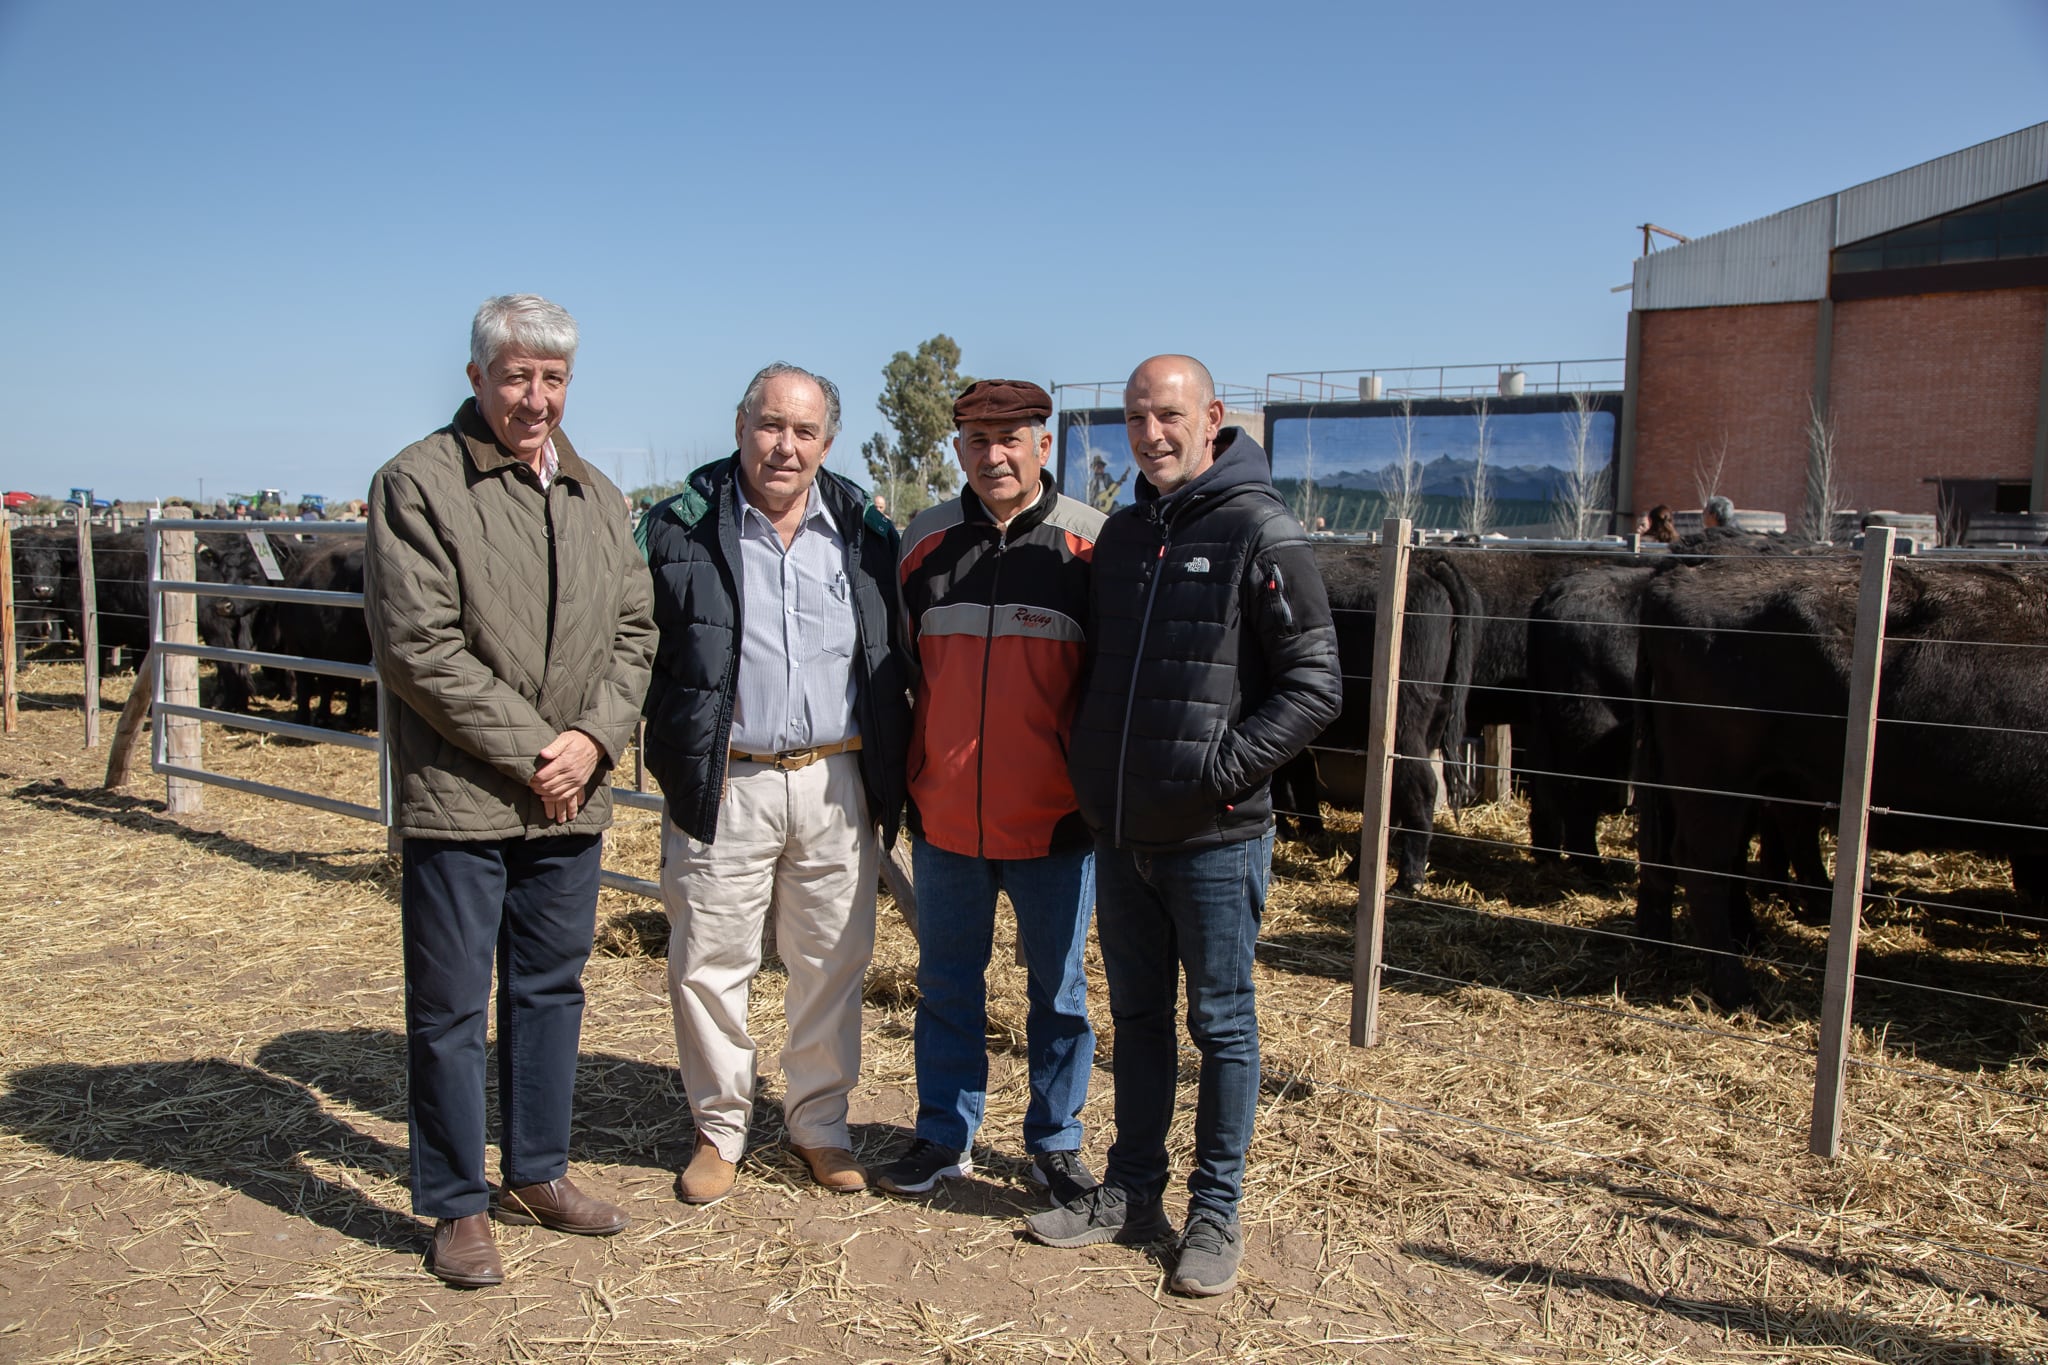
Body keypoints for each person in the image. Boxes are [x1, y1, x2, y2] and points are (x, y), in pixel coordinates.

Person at [1026, 355, 1342, 1299]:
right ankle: (1132, 1189)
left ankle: (1215, 1207)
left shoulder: (1260, 530)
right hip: (1123, 836)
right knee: (1138, 1019)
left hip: (1213, 836)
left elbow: (1315, 685)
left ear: (1211, 420)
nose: (1150, 434)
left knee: (1223, 1022)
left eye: (1168, 415)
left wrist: (1222, 772)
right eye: (1134, 418)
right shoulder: (1123, 535)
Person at [365, 294, 657, 1289]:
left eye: (554, 378)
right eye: (518, 376)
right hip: (463, 793)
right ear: (477, 378)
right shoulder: (416, 483)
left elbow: (634, 636)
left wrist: (592, 741)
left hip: (568, 799)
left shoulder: (597, 495)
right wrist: (540, 748)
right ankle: (454, 1203)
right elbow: (418, 648)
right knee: (448, 1008)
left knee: (549, 990)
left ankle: (536, 1170)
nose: (537, 398)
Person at [640, 363, 911, 1206]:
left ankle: (818, 1123)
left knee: (832, 958)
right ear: (739, 425)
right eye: (769, 425)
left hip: (837, 775)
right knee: (710, 958)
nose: (783, 445)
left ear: (826, 441)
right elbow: (635, 651)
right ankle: (719, 1128)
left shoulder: (868, 532)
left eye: (802, 431)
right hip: (730, 776)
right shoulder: (678, 528)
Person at [874, 380, 1104, 1205]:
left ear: (1045, 444)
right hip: (946, 820)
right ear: (959, 448)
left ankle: (1055, 1141)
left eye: (1011, 437)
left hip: (1055, 825)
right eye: (977, 438)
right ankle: (943, 1132)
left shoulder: (1089, 546)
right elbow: (899, 672)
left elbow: (1109, 688)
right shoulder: (923, 542)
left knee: (1060, 994)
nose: (994, 454)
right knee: (944, 985)